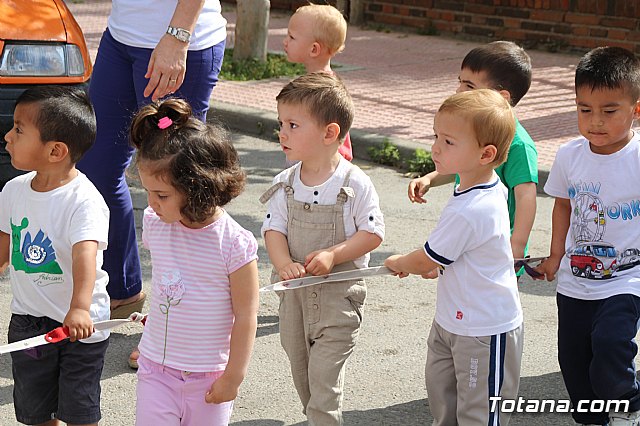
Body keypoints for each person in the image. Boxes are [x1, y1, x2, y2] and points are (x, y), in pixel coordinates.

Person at [78, 0, 227, 368]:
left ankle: (180, 326)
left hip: (178, 42)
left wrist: (177, 37)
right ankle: (122, 289)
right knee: (95, 172)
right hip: (122, 38)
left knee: (178, 186)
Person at [385, 89, 523, 425]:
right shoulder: (475, 187)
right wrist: (444, 264)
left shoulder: (473, 207)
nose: (435, 147)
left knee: (479, 414)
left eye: (448, 142)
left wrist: (401, 262)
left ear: (485, 154)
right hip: (453, 319)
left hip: (483, 328)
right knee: (444, 401)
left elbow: (425, 260)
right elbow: (473, 250)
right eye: (436, 136)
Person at [260, 72, 384, 425]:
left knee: (324, 382)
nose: (282, 132)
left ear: (330, 133)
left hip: (337, 299)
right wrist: (283, 263)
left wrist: (334, 254)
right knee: (304, 376)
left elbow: (373, 233)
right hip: (295, 299)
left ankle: (323, 419)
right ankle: (316, 416)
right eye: (281, 123)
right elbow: (273, 229)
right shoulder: (284, 183)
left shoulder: (354, 182)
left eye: (294, 124)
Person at [130, 98, 259, 425]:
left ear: (199, 188)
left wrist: (234, 376)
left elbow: (246, 315)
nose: (152, 204)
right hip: (156, 371)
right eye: (148, 192)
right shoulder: (156, 224)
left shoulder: (234, 244)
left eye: (162, 195)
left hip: (209, 377)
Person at [535, 46, 640, 426]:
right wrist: (554, 256)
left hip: (627, 278)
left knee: (611, 345)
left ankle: (628, 405)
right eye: (584, 109)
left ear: (636, 110)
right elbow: (563, 205)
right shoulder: (569, 155)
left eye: (609, 111)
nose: (595, 121)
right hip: (575, 283)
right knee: (576, 366)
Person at [0, 86, 110, 425]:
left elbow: (84, 258)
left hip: (80, 327)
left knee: (79, 410)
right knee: (34, 410)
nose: (7, 136)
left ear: (55, 151)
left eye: (19, 129)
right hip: (28, 322)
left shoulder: (83, 201)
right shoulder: (13, 190)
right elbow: (4, 248)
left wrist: (79, 308)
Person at [408, 41, 538, 278]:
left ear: (502, 97)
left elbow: (526, 194)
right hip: (473, 237)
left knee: (488, 305)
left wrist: (517, 244)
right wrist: (430, 179)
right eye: (459, 81)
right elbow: (461, 165)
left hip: (497, 247)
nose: (459, 90)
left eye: (469, 85)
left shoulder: (519, 144)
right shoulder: (470, 131)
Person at [284, 3, 353, 161]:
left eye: (292, 37)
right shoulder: (314, 84)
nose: (285, 41)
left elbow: (338, 138)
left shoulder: (325, 91)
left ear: (314, 49)